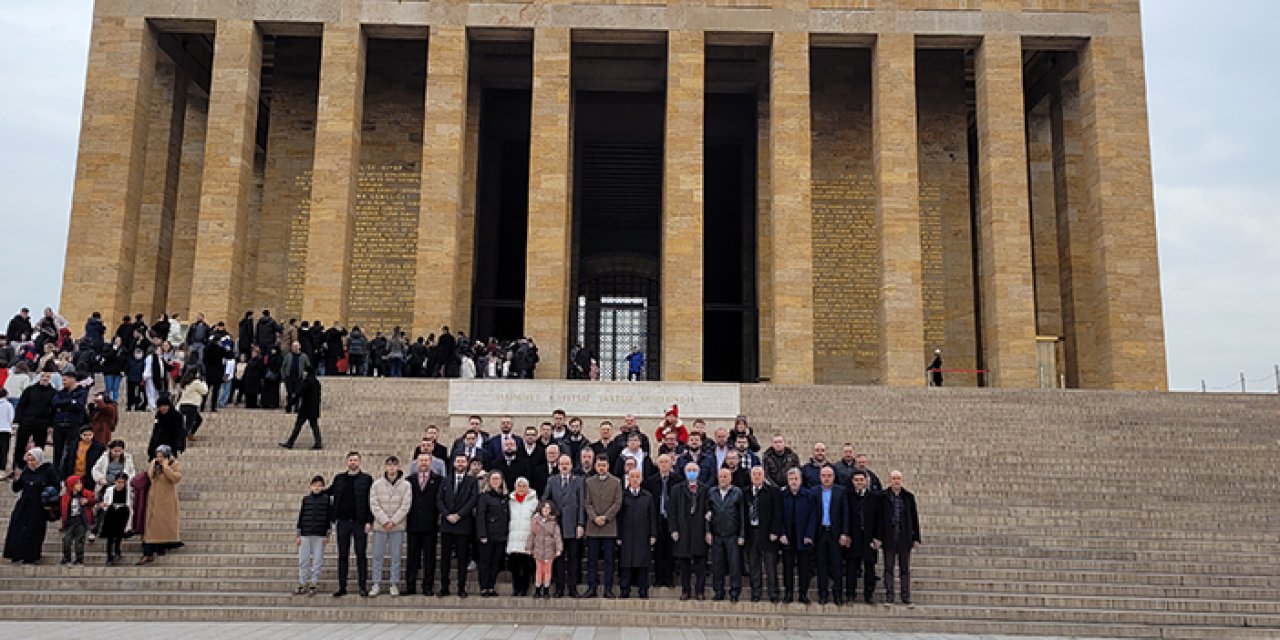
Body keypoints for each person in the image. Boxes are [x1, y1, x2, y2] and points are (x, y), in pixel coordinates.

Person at [329, 452, 374, 597]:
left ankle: (362, 586)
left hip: (359, 522)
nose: (353, 462)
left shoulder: (366, 479)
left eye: (355, 460)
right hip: (342, 522)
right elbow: (330, 493)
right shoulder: (339, 478)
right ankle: (342, 586)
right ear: (347, 462)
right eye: (350, 460)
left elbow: (370, 501)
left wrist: (369, 520)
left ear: (359, 462)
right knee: (343, 555)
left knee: (361, 554)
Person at [4, 449, 60, 564]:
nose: (30, 463)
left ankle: (30, 556)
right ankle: (15, 553)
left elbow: (56, 486)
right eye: (28, 460)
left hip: (38, 506)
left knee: (34, 531)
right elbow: (16, 489)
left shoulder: (48, 470)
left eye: (33, 460)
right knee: (17, 528)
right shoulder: (26, 470)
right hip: (24, 503)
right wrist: (17, 479)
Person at [875, 470, 921, 607]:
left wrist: (916, 537)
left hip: (904, 537)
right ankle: (889, 596)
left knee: (904, 569)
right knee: (888, 568)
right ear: (890, 480)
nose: (896, 481)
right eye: (894, 478)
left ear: (902, 480)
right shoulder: (883, 496)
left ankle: (905, 596)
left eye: (898, 478)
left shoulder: (908, 497)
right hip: (889, 537)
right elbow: (879, 519)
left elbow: (914, 518)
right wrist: (877, 537)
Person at [369, 456, 412, 597]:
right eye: (389, 465)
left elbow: (406, 505)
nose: (392, 468)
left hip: (397, 526)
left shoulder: (406, 485)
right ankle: (376, 583)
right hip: (380, 527)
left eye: (394, 465)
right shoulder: (376, 484)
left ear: (398, 467)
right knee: (377, 555)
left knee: (396, 556)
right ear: (385, 467)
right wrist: (384, 520)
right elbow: (374, 504)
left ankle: (394, 584)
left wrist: (393, 521)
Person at [437, 453, 478, 598]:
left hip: (463, 524)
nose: (460, 464)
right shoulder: (445, 480)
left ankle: (461, 587)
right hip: (447, 524)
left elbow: (473, 499)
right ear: (454, 464)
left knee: (462, 558)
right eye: (458, 461)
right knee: (445, 558)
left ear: (466, 464)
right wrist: (447, 514)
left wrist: (459, 514)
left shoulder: (472, 481)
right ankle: (444, 587)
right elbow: (439, 500)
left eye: (463, 462)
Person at [669, 460, 711, 601]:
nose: (691, 473)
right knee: (684, 563)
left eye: (694, 470)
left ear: (698, 473)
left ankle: (700, 590)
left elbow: (708, 511)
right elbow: (672, 511)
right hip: (683, 529)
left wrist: (707, 531)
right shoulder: (676, 489)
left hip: (699, 529)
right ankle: (686, 590)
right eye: (689, 470)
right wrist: (673, 529)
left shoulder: (705, 489)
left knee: (701, 563)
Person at [544, 453, 584, 598]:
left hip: (572, 526)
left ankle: (572, 588)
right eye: (562, 464)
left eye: (567, 464)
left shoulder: (578, 481)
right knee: (558, 558)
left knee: (573, 558)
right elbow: (545, 500)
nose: (564, 466)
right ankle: (559, 588)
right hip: (556, 527)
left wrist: (580, 524)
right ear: (558, 466)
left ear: (571, 465)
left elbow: (581, 504)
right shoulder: (552, 480)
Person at [583, 456, 622, 598]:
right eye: (599, 465)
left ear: (608, 466)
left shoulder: (616, 482)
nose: (601, 468)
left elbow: (617, 503)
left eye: (604, 465)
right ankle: (591, 587)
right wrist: (594, 517)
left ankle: (608, 588)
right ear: (595, 466)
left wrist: (606, 517)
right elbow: (587, 503)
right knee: (592, 561)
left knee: (609, 561)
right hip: (593, 527)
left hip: (609, 527)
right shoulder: (589, 482)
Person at [404, 452, 441, 596]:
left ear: (431, 462)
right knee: (412, 557)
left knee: (429, 557)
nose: (424, 463)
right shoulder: (409, 480)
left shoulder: (438, 480)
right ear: (417, 463)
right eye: (421, 460)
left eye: (426, 460)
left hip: (430, 524)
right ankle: (410, 586)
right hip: (413, 524)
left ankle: (428, 586)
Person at [744, 466, 783, 602]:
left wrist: (775, 531)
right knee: (754, 564)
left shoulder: (772, 491)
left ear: (764, 476)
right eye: (754, 474)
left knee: (770, 564)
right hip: (751, 532)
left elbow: (777, 513)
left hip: (767, 533)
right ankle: (756, 592)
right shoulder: (746, 492)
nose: (756, 476)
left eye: (759, 474)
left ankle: (773, 593)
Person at [138, 445, 182, 565]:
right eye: (157, 456)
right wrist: (153, 464)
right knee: (151, 525)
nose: (159, 458)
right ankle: (148, 552)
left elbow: (175, 478)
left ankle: (161, 547)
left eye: (161, 456)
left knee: (163, 524)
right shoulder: (155, 463)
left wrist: (166, 467)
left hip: (167, 499)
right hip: (154, 498)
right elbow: (150, 475)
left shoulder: (174, 464)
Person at [617, 469, 656, 599]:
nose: (634, 479)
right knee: (626, 564)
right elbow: (619, 518)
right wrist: (619, 535)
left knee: (642, 564)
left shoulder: (648, 496)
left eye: (637, 477)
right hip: (626, 535)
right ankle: (624, 589)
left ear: (641, 479)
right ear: (628, 479)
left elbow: (652, 517)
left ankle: (643, 590)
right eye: (632, 477)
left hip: (642, 534)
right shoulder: (623, 496)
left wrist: (653, 534)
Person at [708, 467, 745, 602]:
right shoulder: (712, 492)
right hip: (717, 534)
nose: (723, 479)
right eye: (721, 477)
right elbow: (707, 513)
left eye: (725, 477)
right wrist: (708, 532)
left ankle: (734, 591)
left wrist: (742, 534)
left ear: (731, 478)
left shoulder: (737, 492)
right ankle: (718, 591)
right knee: (717, 565)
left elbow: (742, 515)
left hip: (732, 535)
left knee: (734, 565)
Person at [780, 467, 816, 604]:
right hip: (788, 536)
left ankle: (803, 593)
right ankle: (788, 592)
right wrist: (782, 533)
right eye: (791, 479)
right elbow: (779, 517)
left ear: (800, 480)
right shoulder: (782, 495)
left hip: (803, 536)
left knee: (804, 567)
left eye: (796, 479)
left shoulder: (809, 495)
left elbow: (813, 516)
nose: (793, 482)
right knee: (787, 566)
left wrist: (809, 534)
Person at [814, 465, 848, 605]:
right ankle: (822, 594)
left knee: (837, 566)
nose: (826, 478)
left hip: (835, 533)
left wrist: (845, 533)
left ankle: (837, 594)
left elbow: (846, 513)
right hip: (820, 533)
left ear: (833, 477)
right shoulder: (814, 491)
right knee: (821, 566)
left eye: (829, 476)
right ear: (820, 477)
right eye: (824, 476)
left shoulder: (841, 492)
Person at [641, 453, 677, 587]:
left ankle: (669, 578)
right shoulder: (650, 482)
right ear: (657, 464)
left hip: (671, 519)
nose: (664, 465)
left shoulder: (677, 480)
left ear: (671, 464)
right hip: (657, 518)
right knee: (658, 551)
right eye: (661, 462)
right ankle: (658, 578)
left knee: (670, 550)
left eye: (666, 462)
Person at [846, 470, 881, 604]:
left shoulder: (874, 497)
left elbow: (879, 519)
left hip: (869, 537)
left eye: (861, 480)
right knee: (851, 567)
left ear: (866, 481)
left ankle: (869, 594)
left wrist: (877, 537)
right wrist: (846, 534)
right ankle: (850, 594)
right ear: (853, 482)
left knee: (870, 567)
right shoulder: (848, 496)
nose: (859, 482)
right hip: (853, 537)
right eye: (856, 480)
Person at [475, 471, 510, 597]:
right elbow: (480, 516)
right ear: (489, 481)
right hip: (487, 535)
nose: (495, 481)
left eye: (498, 479)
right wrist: (482, 534)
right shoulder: (484, 496)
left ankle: (491, 586)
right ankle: (484, 587)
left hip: (500, 536)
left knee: (495, 562)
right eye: (493, 479)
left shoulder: (505, 497)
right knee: (485, 562)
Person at [12, 372, 55, 473]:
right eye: (43, 376)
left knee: (39, 448)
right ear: (39, 377)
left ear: (50, 379)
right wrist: (17, 420)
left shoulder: (53, 392)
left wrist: (50, 425)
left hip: (42, 423)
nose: (45, 379)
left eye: (47, 377)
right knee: (20, 445)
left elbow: (53, 410)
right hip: (26, 421)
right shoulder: (30, 390)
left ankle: (37, 468)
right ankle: (18, 467)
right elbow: (21, 405)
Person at [505, 477, 538, 597]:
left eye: (524, 486)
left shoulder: (534, 501)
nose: (521, 488)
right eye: (519, 486)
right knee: (514, 567)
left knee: (526, 566)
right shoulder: (510, 501)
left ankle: (524, 589)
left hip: (527, 538)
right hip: (513, 537)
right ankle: (516, 588)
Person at [51, 372, 89, 473]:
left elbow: (79, 405)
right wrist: (71, 401)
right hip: (59, 425)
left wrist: (63, 404)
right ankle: (55, 472)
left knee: (71, 450)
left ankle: (68, 472)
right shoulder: (60, 393)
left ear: (73, 379)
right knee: (57, 451)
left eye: (65, 380)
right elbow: (55, 403)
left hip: (73, 425)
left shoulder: (82, 392)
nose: (63, 382)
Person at [279, 368, 322, 450]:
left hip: (306, 408)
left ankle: (290, 443)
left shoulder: (307, 382)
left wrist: (290, 404)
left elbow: (299, 393)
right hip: (314, 408)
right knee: (314, 426)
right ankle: (318, 443)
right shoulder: (317, 382)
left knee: (298, 426)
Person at [527, 499, 563, 599]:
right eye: (544, 508)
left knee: (547, 570)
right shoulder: (535, 521)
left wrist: (558, 548)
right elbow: (532, 535)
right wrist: (529, 547)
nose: (546, 510)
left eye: (548, 508)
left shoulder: (553, 522)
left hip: (549, 550)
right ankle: (537, 588)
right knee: (538, 570)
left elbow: (557, 536)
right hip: (538, 549)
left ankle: (546, 589)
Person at [60, 474, 96, 565]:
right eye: (77, 484)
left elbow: (94, 500)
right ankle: (66, 557)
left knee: (79, 541)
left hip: (81, 521)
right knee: (66, 540)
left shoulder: (86, 494)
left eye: (80, 483)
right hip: (70, 522)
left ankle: (79, 559)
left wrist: (87, 501)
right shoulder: (66, 497)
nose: (80, 485)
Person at [100, 472, 132, 565]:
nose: (120, 484)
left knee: (119, 533)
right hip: (111, 512)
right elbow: (106, 501)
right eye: (118, 482)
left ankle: (117, 549)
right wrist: (105, 505)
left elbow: (129, 503)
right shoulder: (110, 490)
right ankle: (109, 556)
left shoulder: (128, 491)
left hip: (123, 512)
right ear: (115, 481)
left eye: (122, 482)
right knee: (110, 535)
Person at [175, 370, 208, 443]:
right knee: (188, 425)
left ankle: (190, 434)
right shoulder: (196, 383)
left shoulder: (185, 383)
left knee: (198, 420)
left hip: (182, 405)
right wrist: (203, 382)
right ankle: (180, 441)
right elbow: (205, 391)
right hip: (191, 406)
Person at [281, 342, 309, 414]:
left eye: (296, 346)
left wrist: (305, 375)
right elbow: (283, 366)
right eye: (293, 346)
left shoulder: (304, 356)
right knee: (289, 393)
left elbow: (308, 367)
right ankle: (289, 408)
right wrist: (284, 376)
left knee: (297, 394)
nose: (294, 348)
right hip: (289, 378)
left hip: (299, 378)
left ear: (299, 347)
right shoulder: (288, 356)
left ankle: (297, 408)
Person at [0, 389, 11, 479]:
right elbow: (11, 418)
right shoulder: (8, 405)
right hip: (5, 430)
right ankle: (2, 469)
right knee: (4, 451)